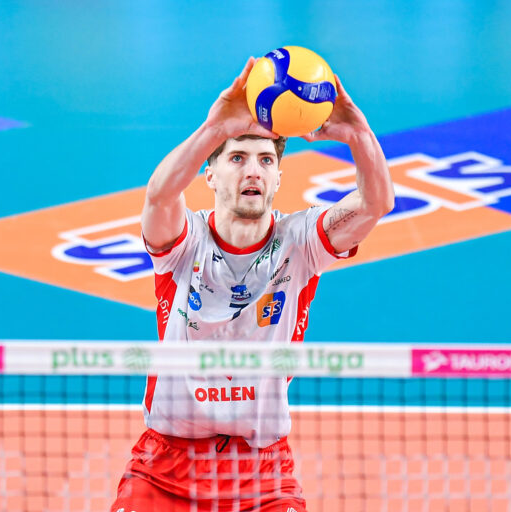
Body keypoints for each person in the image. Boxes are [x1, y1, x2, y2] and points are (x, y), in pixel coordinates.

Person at [111, 57, 394, 512]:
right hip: (165, 469)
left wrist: (359, 135)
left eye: (266, 160)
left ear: (279, 176)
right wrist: (213, 130)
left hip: (261, 474)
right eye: (237, 158)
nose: (253, 171)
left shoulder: (300, 242)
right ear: (210, 173)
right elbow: (160, 195)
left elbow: (376, 203)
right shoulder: (185, 242)